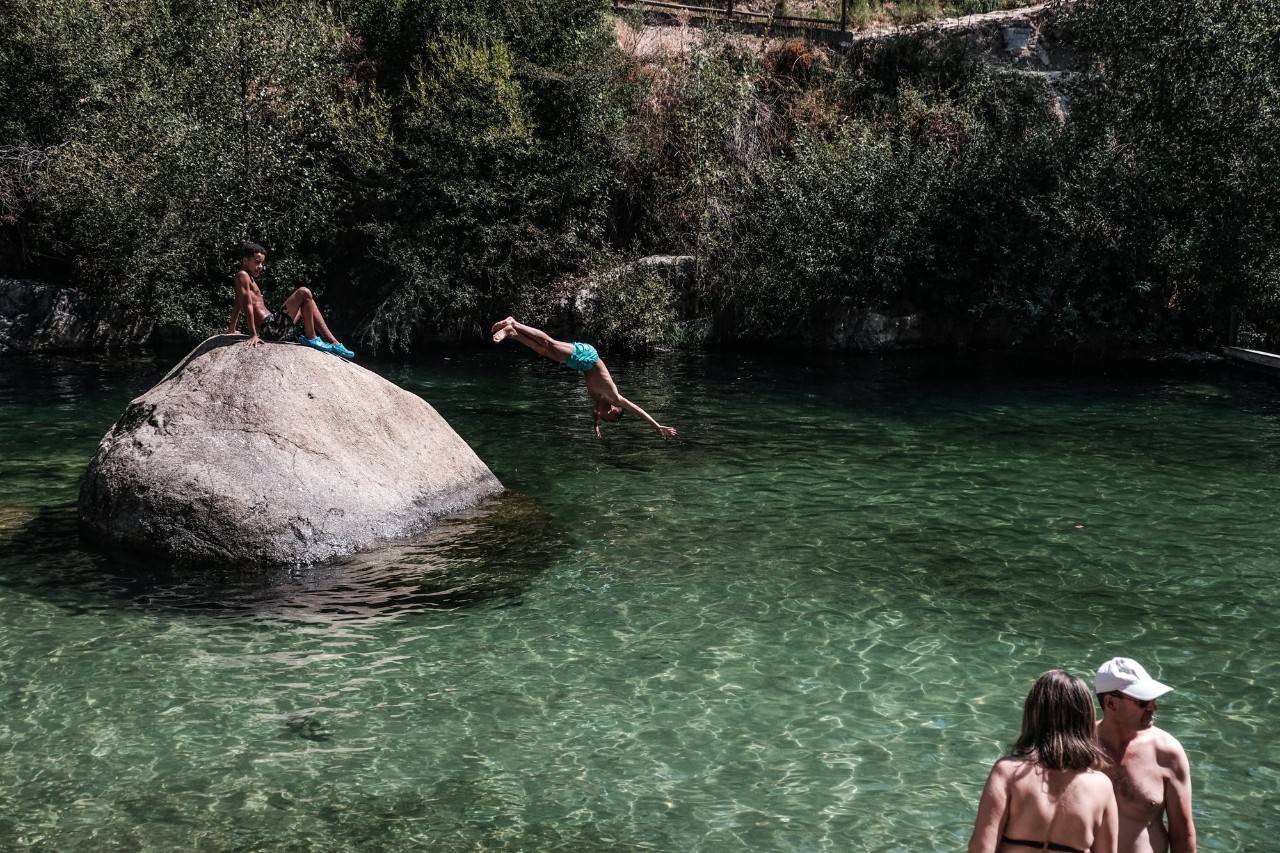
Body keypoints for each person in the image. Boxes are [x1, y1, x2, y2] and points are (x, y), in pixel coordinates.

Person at [970, 669, 1118, 853]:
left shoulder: (1008, 772)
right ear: (1086, 719)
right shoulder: (1101, 787)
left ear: (1034, 715)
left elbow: (981, 848)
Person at [490, 317, 677, 439]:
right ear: (613, 412)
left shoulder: (598, 403)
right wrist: (657, 426)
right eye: (607, 419)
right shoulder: (613, 397)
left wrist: (596, 428)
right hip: (587, 356)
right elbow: (637, 410)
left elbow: (595, 414)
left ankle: (513, 334)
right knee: (550, 343)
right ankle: (514, 324)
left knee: (543, 351)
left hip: (578, 364)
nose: (601, 416)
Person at [1094, 657, 1196, 853]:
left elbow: (1182, 833)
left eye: (1153, 699)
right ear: (1111, 703)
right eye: (1143, 701)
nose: (1153, 707)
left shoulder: (1166, 752)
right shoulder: (1078, 747)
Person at [227, 242, 355, 359]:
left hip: (274, 327)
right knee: (304, 292)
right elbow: (247, 305)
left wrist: (232, 329)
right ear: (245, 260)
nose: (261, 266)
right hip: (270, 328)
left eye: (262, 263)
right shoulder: (242, 275)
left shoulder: (247, 277)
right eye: (257, 262)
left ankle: (334, 342)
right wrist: (253, 335)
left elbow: (238, 302)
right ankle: (311, 337)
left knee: (308, 301)